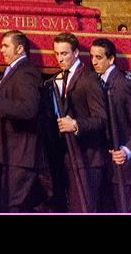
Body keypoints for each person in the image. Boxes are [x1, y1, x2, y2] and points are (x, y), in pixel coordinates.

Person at [0, 30, 44, 212]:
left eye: (6, 46)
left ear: (20, 48)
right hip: (11, 153)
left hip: (21, 154)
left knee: (15, 206)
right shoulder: (11, 71)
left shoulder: (26, 72)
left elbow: (29, 108)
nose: (2, 50)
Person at [48, 32, 109, 213]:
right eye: (57, 53)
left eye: (64, 53)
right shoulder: (60, 78)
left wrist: (75, 124)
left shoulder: (88, 79)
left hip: (89, 158)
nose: (60, 58)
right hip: (70, 156)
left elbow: (101, 119)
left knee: (83, 208)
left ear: (75, 53)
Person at [90, 37, 131, 213]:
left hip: (125, 166)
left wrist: (127, 150)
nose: (94, 62)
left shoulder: (122, 85)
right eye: (92, 57)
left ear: (111, 59)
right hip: (107, 165)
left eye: (99, 57)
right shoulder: (97, 82)